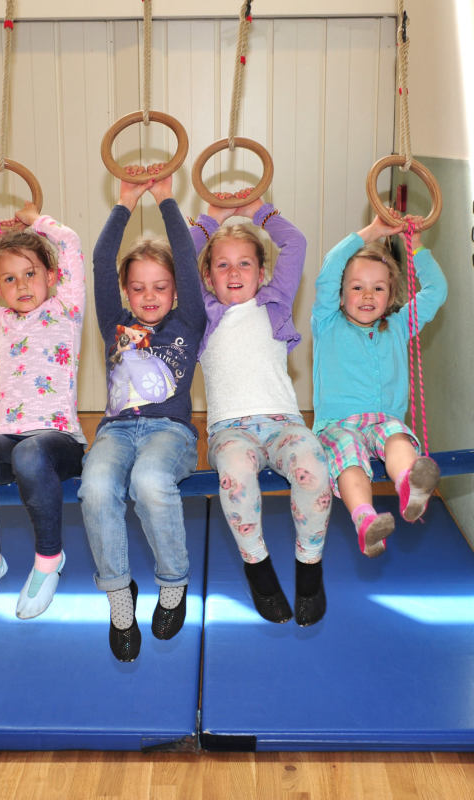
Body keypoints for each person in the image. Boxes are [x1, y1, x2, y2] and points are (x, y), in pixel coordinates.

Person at [79, 165, 206, 662]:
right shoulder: (115, 323)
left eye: (160, 286)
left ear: (175, 291)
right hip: (115, 431)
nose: (149, 296)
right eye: (138, 287)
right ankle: (119, 594)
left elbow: (188, 262)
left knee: (150, 482)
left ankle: (173, 582)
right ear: (125, 291)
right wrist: (126, 202)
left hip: (169, 431)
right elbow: (101, 260)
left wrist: (167, 201)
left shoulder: (187, 321)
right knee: (96, 488)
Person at [190, 191, 331, 627]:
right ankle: (257, 566)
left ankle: (309, 566)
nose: (234, 272)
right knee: (235, 474)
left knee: (313, 465)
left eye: (245, 263)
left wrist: (259, 213)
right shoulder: (203, 313)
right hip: (230, 430)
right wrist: (210, 220)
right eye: (222, 265)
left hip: (284, 423)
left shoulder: (275, 302)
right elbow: (178, 261)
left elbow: (296, 243)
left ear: (262, 272)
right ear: (208, 277)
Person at [0, 202, 86, 618]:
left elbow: (70, 242)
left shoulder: (66, 309)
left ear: (51, 276)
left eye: (30, 273)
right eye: (9, 279)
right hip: (10, 437)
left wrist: (33, 223)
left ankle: (48, 561)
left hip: (58, 441)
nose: (22, 284)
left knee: (30, 454)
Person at [311, 208, 447, 557]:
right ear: (341, 294)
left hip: (384, 420)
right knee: (350, 459)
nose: (368, 295)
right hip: (337, 424)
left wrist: (417, 248)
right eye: (357, 287)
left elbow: (436, 291)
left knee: (398, 437)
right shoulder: (327, 323)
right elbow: (328, 271)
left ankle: (409, 486)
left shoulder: (399, 326)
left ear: (391, 295)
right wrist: (372, 231)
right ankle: (366, 521)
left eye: (378, 288)